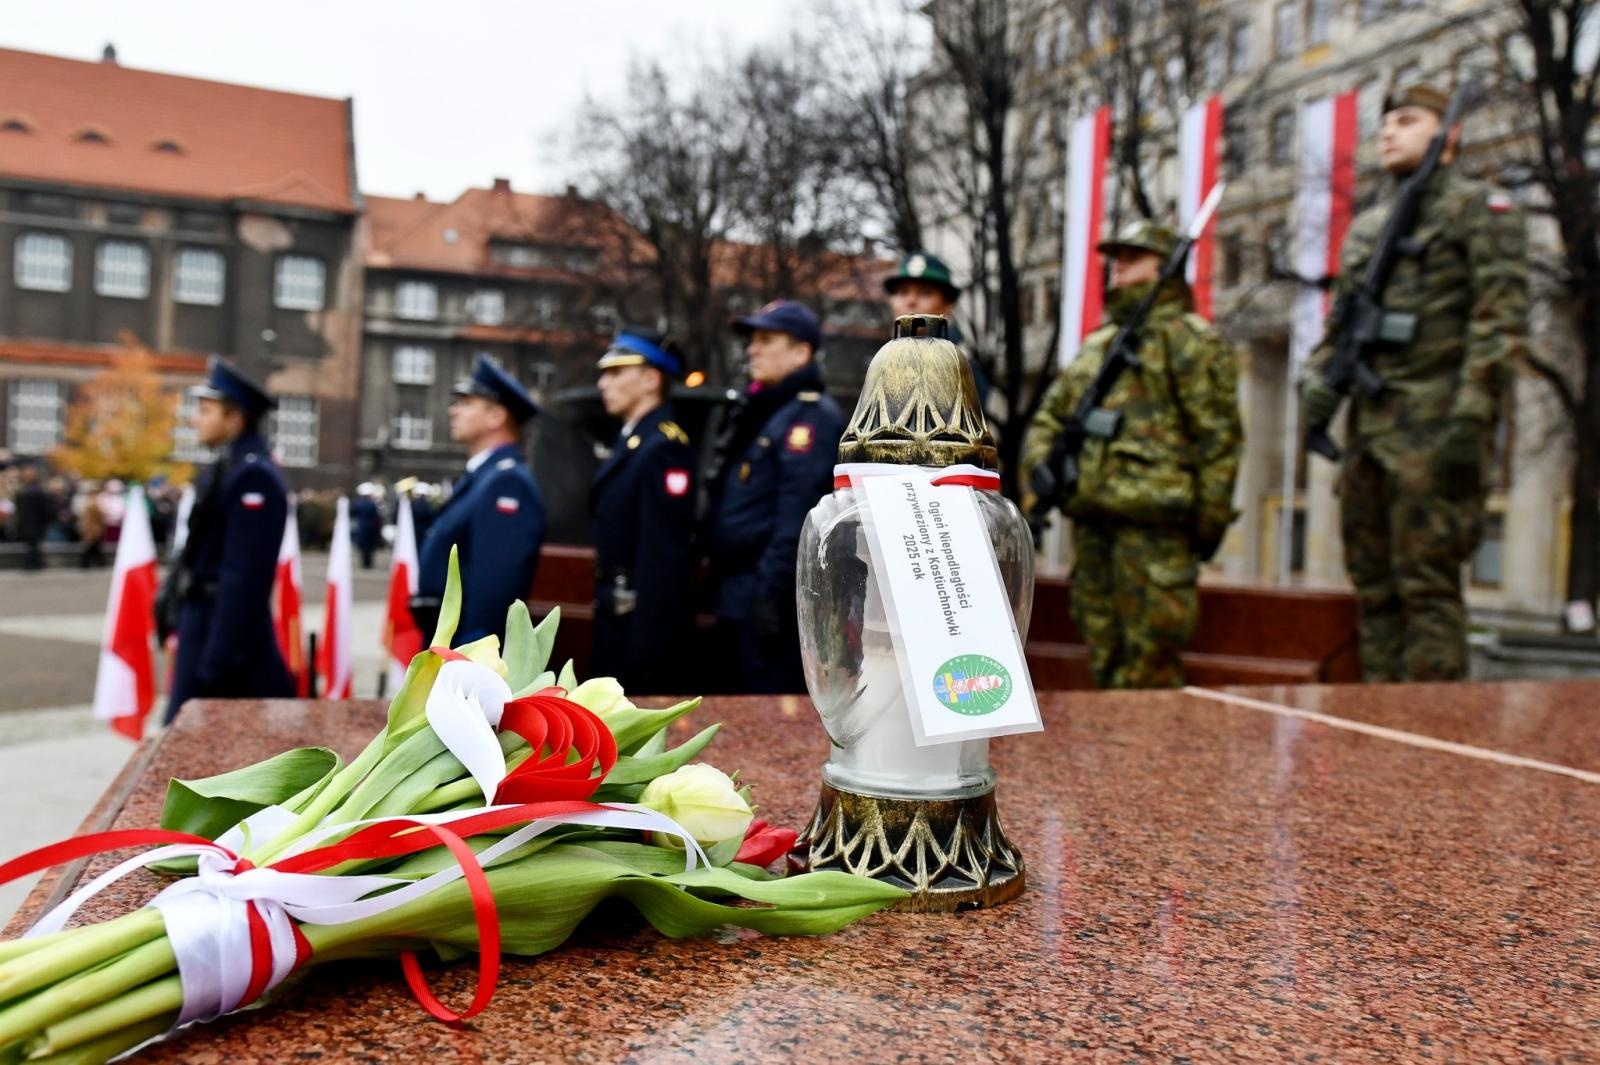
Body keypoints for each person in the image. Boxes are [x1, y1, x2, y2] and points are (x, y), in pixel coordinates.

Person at [1299, 83, 1527, 682]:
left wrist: (1471, 421)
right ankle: (1382, 731)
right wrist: (1314, 384)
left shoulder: (1478, 208)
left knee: (1427, 589)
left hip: (1436, 430)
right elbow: (1342, 324)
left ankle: (1431, 736)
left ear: (1446, 134)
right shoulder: (1369, 227)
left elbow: (1500, 323)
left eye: (1407, 120)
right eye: (1385, 122)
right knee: (1374, 590)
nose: (1388, 131)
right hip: (1370, 436)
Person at [1022, 220, 1243, 690]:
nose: (1118, 268)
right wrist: (1040, 465)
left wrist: (1206, 526)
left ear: (1165, 266)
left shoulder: (1189, 341)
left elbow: (1218, 439)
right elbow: (1051, 416)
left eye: (1133, 257)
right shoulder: (1099, 345)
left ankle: (1153, 758)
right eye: (1115, 258)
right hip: (1094, 524)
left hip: (1157, 530)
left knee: (1152, 662)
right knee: (1101, 649)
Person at [703, 300, 846, 693]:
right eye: (751, 340)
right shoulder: (764, 410)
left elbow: (797, 517)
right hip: (736, 593)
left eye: (766, 339)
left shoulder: (809, 418)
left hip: (767, 601)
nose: (752, 349)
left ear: (801, 352)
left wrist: (769, 596)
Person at [161, 358, 296, 722]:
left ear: (235, 418)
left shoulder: (254, 477)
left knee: (196, 745)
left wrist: (216, 660)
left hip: (222, 635)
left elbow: (245, 577)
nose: (196, 419)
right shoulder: (229, 467)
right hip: (203, 623)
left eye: (206, 410)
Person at [411, 354, 545, 646]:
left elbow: (495, 588)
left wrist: (470, 655)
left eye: (466, 403)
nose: (453, 411)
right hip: (445, 642)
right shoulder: (483, 477)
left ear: (496, 416)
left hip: (465, 651)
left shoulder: (506, 483)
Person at [589, 327, 697, 691]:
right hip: (615, 619)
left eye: (617, 372)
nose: (604, 383)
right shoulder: (633, 442)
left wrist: (646, 653)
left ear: (651, 379)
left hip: (637, 629)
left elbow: (663, 556)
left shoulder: (663, 446)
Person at [883, 251, 993, 413]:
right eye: (903, 292)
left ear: (948, 304)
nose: (911, 301)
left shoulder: (957, 361)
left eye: (925, 293)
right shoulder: (889, 357)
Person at [13, 463, 53, 571]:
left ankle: (33, 564)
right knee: (34, 545)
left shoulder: (20, 492)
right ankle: (33, 564)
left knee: (31, 545)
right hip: (36, 525)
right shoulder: (39, 491)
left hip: (26, 525)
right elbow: (45, 510)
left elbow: (18, 512)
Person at [351, 483, 383, 570]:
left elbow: (353, 513)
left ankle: (364, 563)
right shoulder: (373, 503)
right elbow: (377, 517)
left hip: (361, 527)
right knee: (370, 547)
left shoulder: (357, 503)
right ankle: (368, 563)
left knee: (363, 547)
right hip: (371, 528)